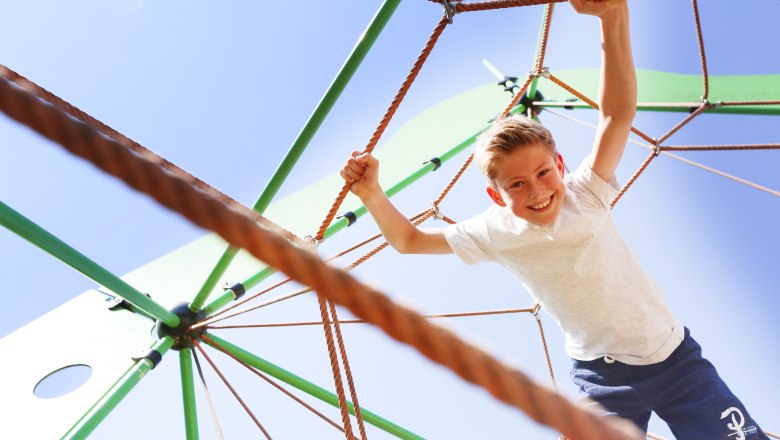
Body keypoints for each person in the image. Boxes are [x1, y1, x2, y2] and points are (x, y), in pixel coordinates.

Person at [340, 0, 769, 438]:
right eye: (518, 185)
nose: (538, 190)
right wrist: (372, 193)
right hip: (603, 382)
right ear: (496, 195)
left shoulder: (586, 192)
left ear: (560, 165)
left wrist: (613, 19)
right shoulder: (494, 230)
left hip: (676, 361)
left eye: (543, 173)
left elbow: (616, 115)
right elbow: (410, 240)